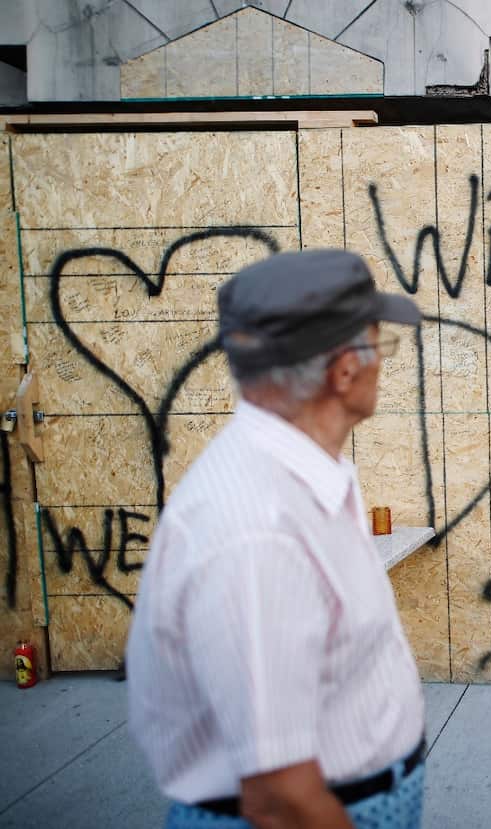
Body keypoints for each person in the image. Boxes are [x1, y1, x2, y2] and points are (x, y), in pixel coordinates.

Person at [126, 249, 428, 827]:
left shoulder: (298, 474)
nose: (382, 364)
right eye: (378, 343)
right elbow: (281, 799)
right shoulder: (256, 535)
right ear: (343, 370)